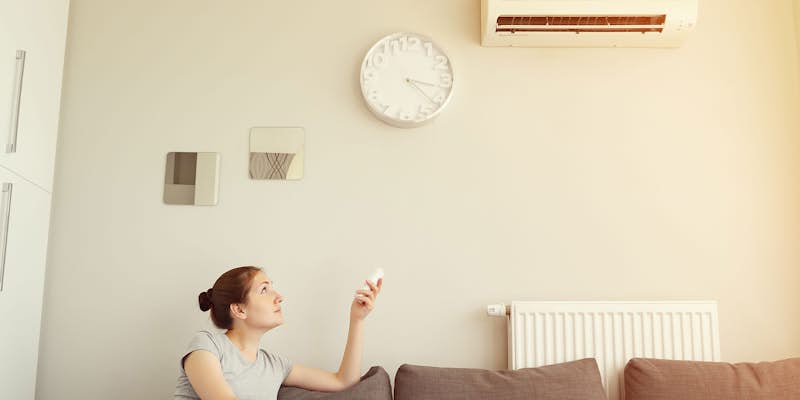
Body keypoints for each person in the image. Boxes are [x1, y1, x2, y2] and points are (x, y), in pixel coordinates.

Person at [173, 266, 383, 399]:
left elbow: (343, 381)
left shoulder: (274, 365)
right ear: (239, 309)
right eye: (264, 289)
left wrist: (357, 320)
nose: (279, 297)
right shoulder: (207, 346)